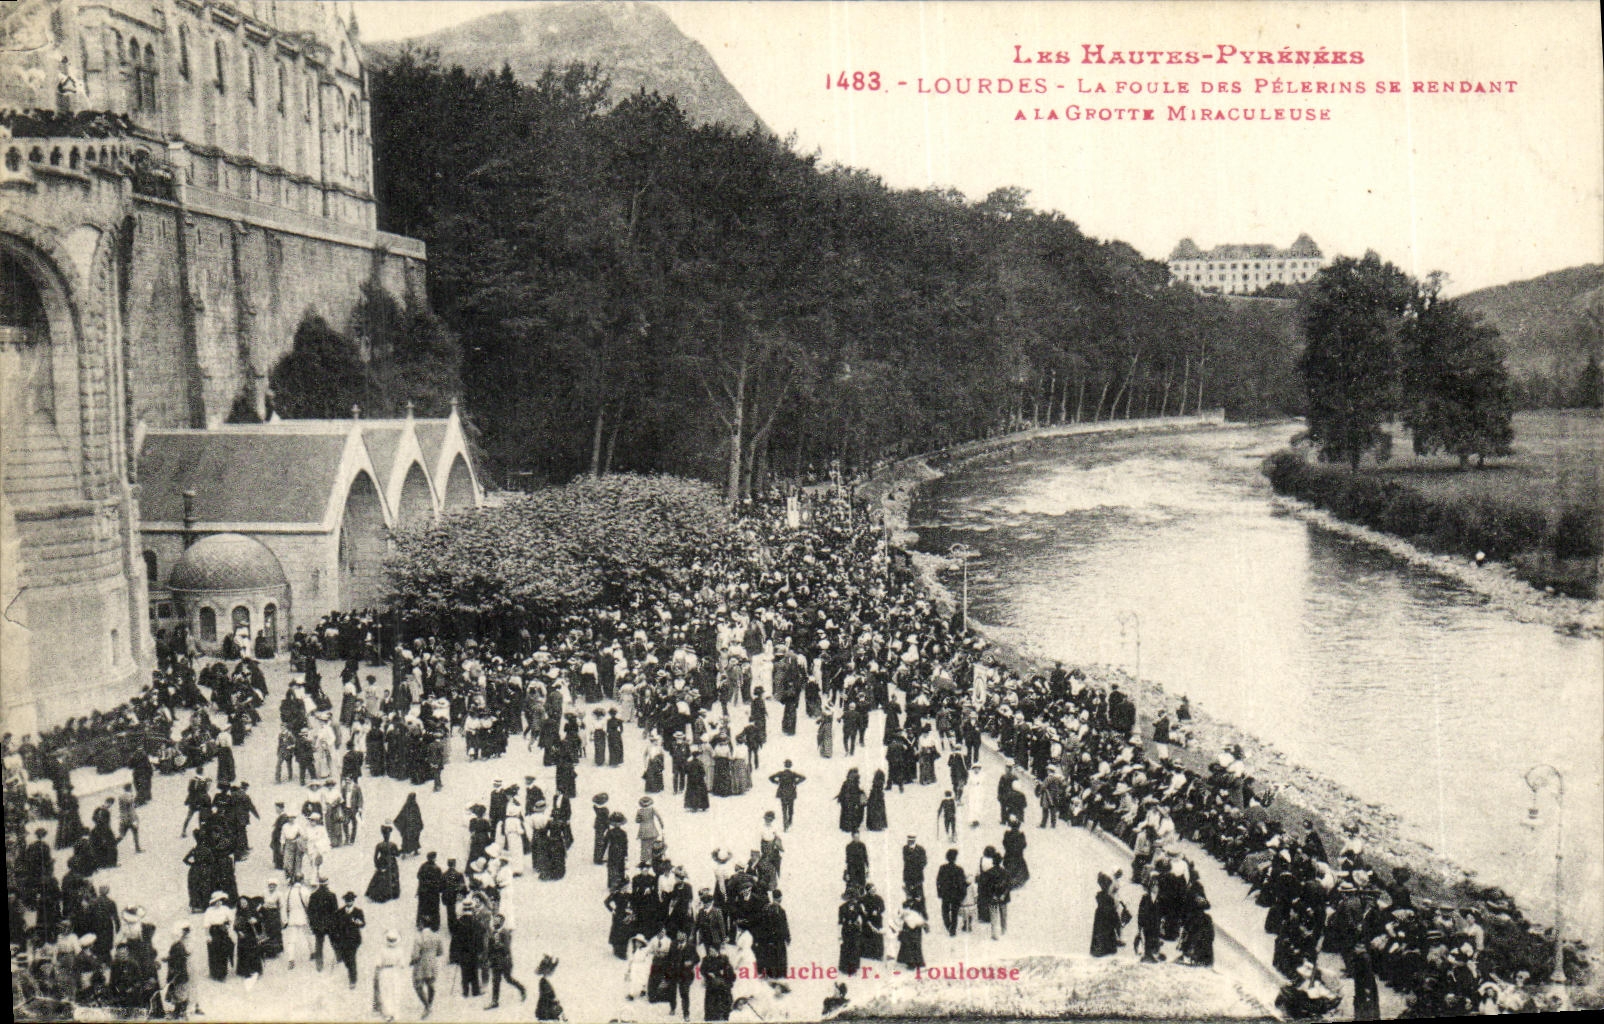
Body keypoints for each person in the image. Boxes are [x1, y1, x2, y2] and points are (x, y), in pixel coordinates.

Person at [486, 913, 526, 1007]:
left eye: (497, 921)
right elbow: (489, 948)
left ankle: (522, 989)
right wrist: (488, 958)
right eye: (494, 920)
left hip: (505, 961)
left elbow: (506, 949)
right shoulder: (492, 933)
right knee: (496, 981)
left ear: (502, 922)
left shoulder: (505, 933)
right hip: (495, 961)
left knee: (508, 979)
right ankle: (494, 1001)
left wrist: (498, 945)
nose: (495, 922)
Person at [331, 891, 366, 987]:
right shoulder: (339, 912)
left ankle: (353, 980)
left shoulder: (358, 912)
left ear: (353, 901)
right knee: (346, 959)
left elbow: (363, 924)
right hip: (342, 940)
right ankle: (350, 971)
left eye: (350, 901)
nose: (349, 902)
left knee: (351, 958)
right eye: (347, 901)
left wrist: (358, 922)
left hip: (353, 940)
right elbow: (335, 926)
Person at [373, 930, 406, 1022]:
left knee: (385, 993)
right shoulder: (400, 950)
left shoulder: (382, 950)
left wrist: (376, 974)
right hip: (395, 972)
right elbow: (402, 964)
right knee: (396, 992)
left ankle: (388, 1014)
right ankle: (396, 1014)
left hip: (385, 971)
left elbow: (378, 964)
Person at [411, 923, 443, 1019]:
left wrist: (412, 961)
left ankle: (427, 1006)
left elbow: (415, 955)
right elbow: (440, 952)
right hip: (432, 963)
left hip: (421, 965)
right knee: (431, 983)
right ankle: (430, 1003)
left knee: (418, 985)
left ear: (422, 925)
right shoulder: (437, 937)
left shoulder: (419, 938)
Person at [701, 941, 736, 1021]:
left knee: (724, 998)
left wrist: (723, 973)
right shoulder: (706, 959)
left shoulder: (724, 958)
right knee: (711, 1000)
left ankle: (724, 1015)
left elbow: (729, 971)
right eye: (709, 951)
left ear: (717, 951)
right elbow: (702, 970)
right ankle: (711, 1017)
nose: (710, 953)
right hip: (711, 983)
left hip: (722, 983)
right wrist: (707, 974)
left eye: (712, 951)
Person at [366, 825, 402, 903]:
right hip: (391, 863)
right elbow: (397, 854)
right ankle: (392, 893)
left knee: (380, 878)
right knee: (392, 877)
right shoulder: (393, 845)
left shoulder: (379, 845)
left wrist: (377, 865)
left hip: (382, 862)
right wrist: (400, 851)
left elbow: (375, 857)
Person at [936, 849, 967, 938]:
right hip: (956, 895)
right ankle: (952, 929)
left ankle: (948, 925)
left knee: (945, 911)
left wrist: (939, 892)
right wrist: (962, 894)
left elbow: (938, 881)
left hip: (945, 894)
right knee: (954, 912)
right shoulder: (959, 869)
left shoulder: (942, 868)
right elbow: (962, 883)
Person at [1090, 872, 1123, 956]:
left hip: (1101, 916)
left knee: (1101, 933)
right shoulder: (1107, 897)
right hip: (1107, 916)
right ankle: (1107, 949)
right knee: (1107, 932)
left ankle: (1099, 949)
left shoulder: (1100, 896)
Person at [768, 761, 805, 830]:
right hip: (791, 793)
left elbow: (770, 777)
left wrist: (777, 782)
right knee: (791, 809)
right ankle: (790, 821)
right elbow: (803, 777)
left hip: (782, 793)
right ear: (791, 766)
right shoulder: (793, 774)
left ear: (784, 765)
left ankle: (785, 825)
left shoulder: (781, 773)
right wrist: (796, 782)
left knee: (784, 809)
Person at [895, 900, 928, 970]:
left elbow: (922, 915)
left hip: (914, 928)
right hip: (909, 928)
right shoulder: (905, 905)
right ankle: (913, 962)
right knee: (909, 944)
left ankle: (915, 962)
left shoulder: (917, 904)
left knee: (913, 944)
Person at [415, 851, 444, 930]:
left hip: (423, 891)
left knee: (422, 908)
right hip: (433, 892)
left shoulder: (423, 866)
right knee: (434, 908)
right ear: (434, 858)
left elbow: (418, 876)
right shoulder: (437, 868)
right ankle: (434, 925)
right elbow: (440, 881)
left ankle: (421, 923)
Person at [534, 955, 564, 1021]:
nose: (550, 971)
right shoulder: (543, 981)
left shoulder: (544, 981)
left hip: (547, 1007)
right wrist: (554, 1002)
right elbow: (546, 996)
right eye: (549, 969)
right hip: (546, 1008)